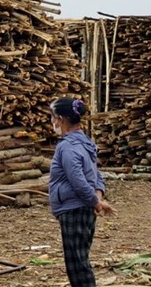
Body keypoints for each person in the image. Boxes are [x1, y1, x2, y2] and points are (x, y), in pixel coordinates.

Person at [49, 97, 115, 287]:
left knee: (77, 266)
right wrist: (97, 198)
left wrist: (96, 202)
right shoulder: (85, 142)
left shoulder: (68, 147)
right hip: (83, 207)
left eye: (53, 117)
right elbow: (96, 175)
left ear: (61, 119)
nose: (52, 122)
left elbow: (77, 181)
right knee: (80, 260)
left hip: (73, 209)